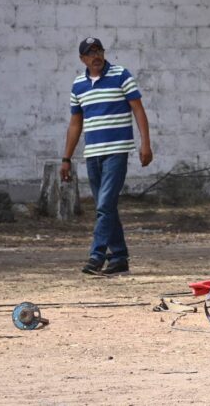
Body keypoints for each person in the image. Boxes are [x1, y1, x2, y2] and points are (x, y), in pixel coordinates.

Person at [62, 37, 155, 276]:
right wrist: (66, 158)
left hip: (117, 151)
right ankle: (120, 257)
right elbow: (75, 124)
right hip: (92, 154)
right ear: (82, 59)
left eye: (99, 51)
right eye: (90, 53)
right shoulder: (78, 85)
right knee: (107, 208)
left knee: (104, 205)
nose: (96, 56)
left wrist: (145, 143)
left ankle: (97, 255)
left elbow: (138, 109)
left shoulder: (121, 75)